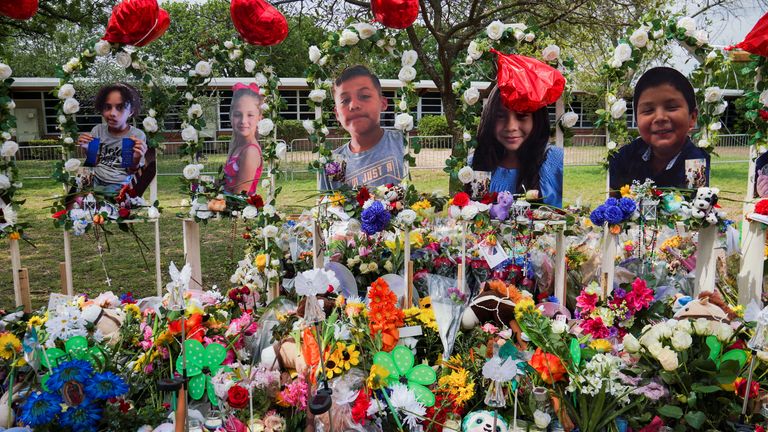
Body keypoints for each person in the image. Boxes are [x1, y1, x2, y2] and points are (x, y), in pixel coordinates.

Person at [609, 67, 710, 191]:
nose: (660, 118)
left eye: (672, 107)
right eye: (648, 110)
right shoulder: (623, 157)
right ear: (636, 120)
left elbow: (697, 206)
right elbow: (612, 205)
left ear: (692, 117)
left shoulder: (696, 163)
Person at [471, 86, 564, 207]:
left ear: (537, 119)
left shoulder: (556, 161)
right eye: (500, 116)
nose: (510, 127)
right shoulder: (476, 163)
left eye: (521, 116)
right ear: (490, 119)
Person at [319, 65, 405, 190]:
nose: (354, 105)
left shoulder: (403, 144)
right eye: (345, 100)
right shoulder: (332, 163)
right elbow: (325, 207)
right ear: (337, 114)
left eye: (364, 96)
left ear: (383, 103)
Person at [77, 82, 147, 194]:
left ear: (131, 112)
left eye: (120, 108)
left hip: (118, 186)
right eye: (107, 107)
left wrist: (136, 159)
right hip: (94, 180)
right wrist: (87, 149)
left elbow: (130, 170)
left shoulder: (135, 137)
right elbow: (92, 162)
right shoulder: (97, 130)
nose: (112, 113)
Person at [223, 83, 263, 195]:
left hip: (239, 210)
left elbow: (240, 196)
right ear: (230, 116)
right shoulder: (239, 146)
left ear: (259, 117)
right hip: (228, 208)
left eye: (250, 115)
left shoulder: (250, 151)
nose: (243, 121)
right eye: (237, 115)